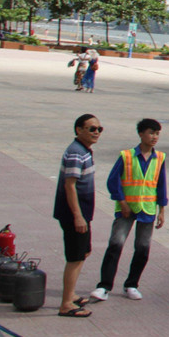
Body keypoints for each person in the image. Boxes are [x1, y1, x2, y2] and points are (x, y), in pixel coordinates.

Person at [89, 119, 168, 302]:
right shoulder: (127, 156)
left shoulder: (160, 158)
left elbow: (161, 185)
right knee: (115, 244)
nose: (154, 137)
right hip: (126, 209)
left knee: (142, 248)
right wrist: (122, 201)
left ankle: (132, 284)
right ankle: (104, 286)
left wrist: (162, 210)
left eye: (157, 133)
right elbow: (113, 180)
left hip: (147, 209)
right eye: (151, 132)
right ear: (141, 134)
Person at [53, 114, 101, 317]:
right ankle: (66, 304)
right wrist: (78, 217)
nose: (96, 132)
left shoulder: (84, 151)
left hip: (82, 212)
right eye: (91, 129)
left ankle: (71, 294)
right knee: (75, 257)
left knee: (83, 252)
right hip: (74, 213)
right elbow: (70, 186)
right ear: (78, 130)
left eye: (99, 129)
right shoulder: (75, 153)